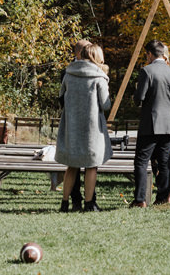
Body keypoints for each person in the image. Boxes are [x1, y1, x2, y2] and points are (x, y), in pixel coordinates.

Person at [55, 43, 112, 212]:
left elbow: (61, 97)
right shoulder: (99, 78)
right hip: (91, 127)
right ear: (96, 57)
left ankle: (65, 203)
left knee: (71, 165)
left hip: (71, 125)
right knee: (91, 165)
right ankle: (89, 203)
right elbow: (106, 104)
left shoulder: (68, 74)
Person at [131, 39, 170, 208]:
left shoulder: (147, 71)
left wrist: (136, 96)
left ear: (150, 54)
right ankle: (162, 197)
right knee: (165, 161)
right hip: (169, 124)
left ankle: (140, 199)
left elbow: (139, 98)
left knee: (141, 161)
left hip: (151, 123)